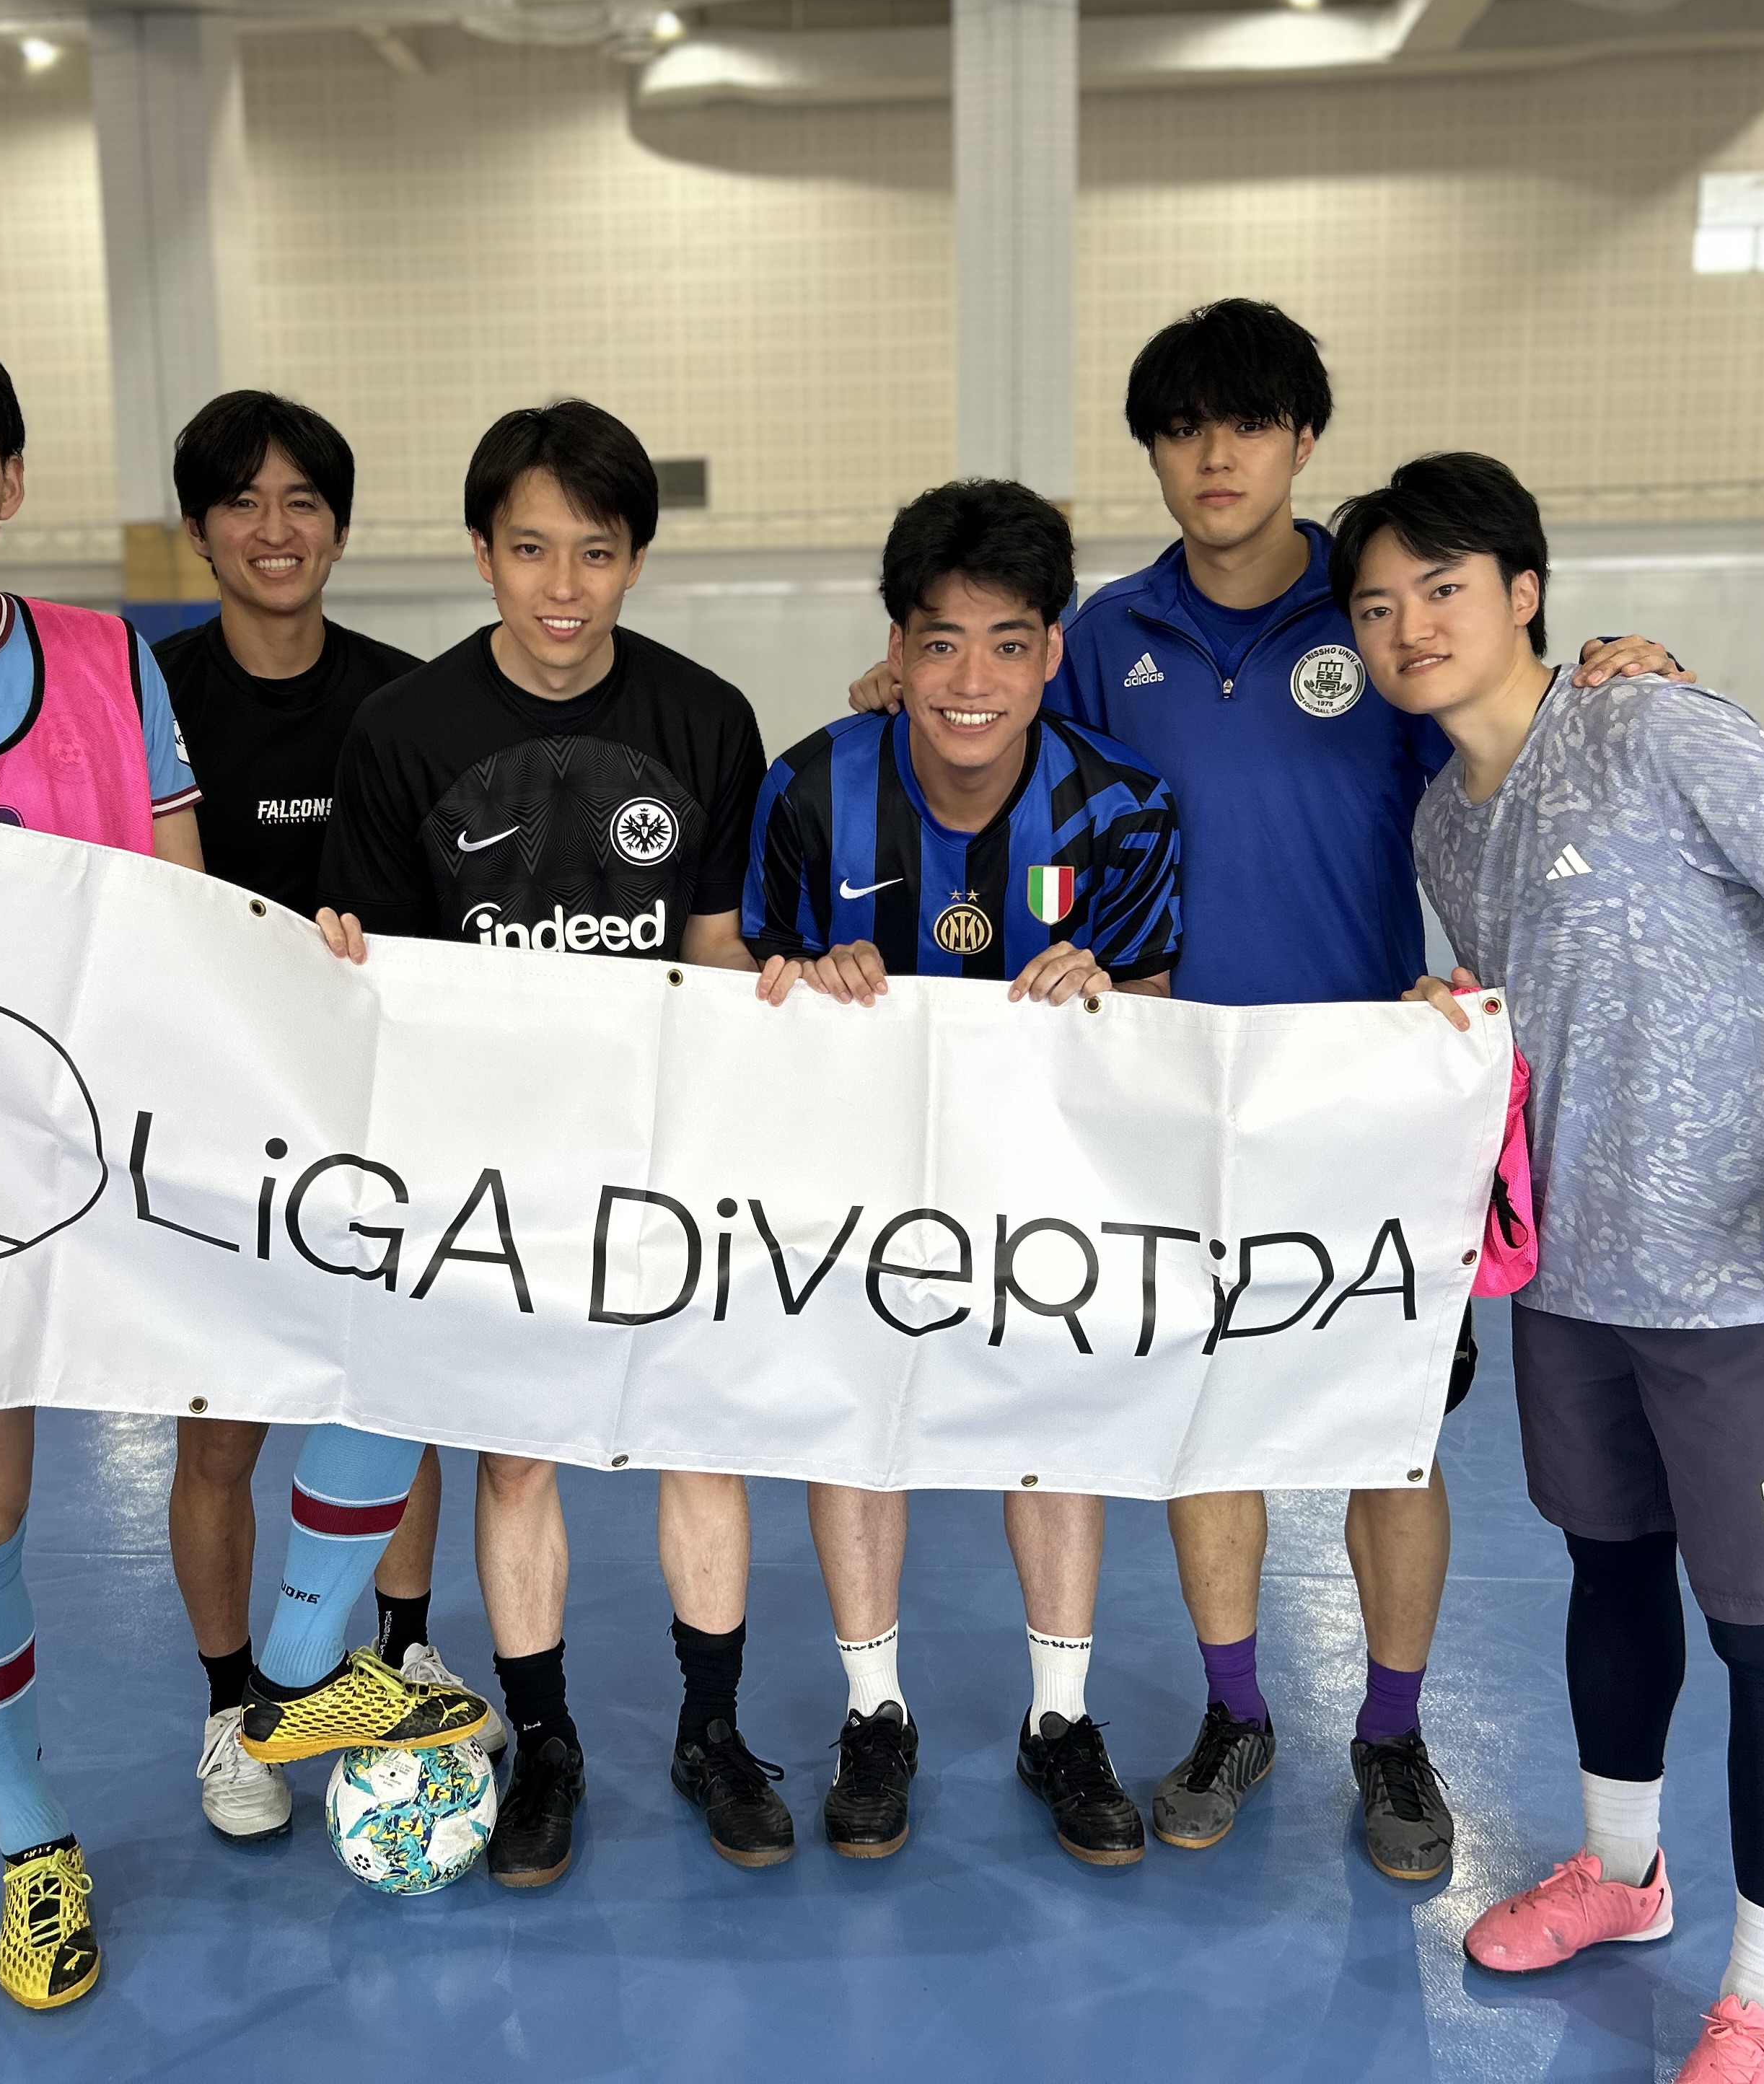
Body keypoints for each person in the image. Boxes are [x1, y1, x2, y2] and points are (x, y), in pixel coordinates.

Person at [0, 314, 481, 2011]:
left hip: (141, 1146)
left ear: (12, 478)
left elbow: (184, 905)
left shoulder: (111, 665)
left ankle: (292, 1670)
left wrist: (298, 964)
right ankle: (31, 1840)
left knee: (387, 1334)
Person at [847, 297, 1685, 1880]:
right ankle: (1237, 1712)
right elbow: (1011, 769)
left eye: (1247, 424)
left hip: (1369, 1097)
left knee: (1389, 1443)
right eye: (1181, 430)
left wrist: (1610, 672)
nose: (1214, 456)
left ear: (1304, 438)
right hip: (1162, 1099)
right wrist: (919, 696)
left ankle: (1393, 1734)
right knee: (1208, 1426)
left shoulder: (1380, 622)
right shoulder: (1104, 636)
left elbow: (1509, 739)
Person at [1342, 451, 1764, 2083]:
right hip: (1571, 1288)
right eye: (1379, 606)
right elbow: (1540, 1007)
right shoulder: (1444, 821)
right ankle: (1623, 1877)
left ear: (1525, 593)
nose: (1412, 627)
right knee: (1608, 1578)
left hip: (1747, 1281)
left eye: (1444, 589)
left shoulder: (1656, 731)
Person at [314, 400, 784, 1888]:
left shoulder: (706, 719)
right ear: (481, 553)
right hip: (491, 1174)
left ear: (634, 557)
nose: (563, 586)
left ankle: (713, 1734)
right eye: (530, 550)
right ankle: (548, 1742)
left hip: (665, 1161)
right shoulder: (402, 736)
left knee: (697, 1443)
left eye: (595, 550)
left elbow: (716, 949)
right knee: (516, 1461)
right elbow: (378, 984)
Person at [743, 478, 1181, 1868]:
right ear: (897, 648)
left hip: (1044, 1187)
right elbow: (749, 992)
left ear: (1053, 652)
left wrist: (1105, 992)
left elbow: (1153, 1014)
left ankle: (1062, 1719)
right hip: (857, 1182)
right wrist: (809, 980)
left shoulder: (1124, 808)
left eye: (1008, 643)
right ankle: (874, 1714)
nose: (972, 680)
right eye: (940, 643)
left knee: (1055, 1419)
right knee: (855, 1417)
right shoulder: (806, 790)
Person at [146, 390, 501, 1851]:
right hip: (213, 1130)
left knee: (392, 1404)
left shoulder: (406, 703)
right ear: (199, 528)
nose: (274, 528)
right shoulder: (148, 697)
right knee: (220, 1434)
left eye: (303, 501)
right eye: (242, 501)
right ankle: (234, 1707)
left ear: (340, 529)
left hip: (377, 1123)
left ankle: (397, 1653)